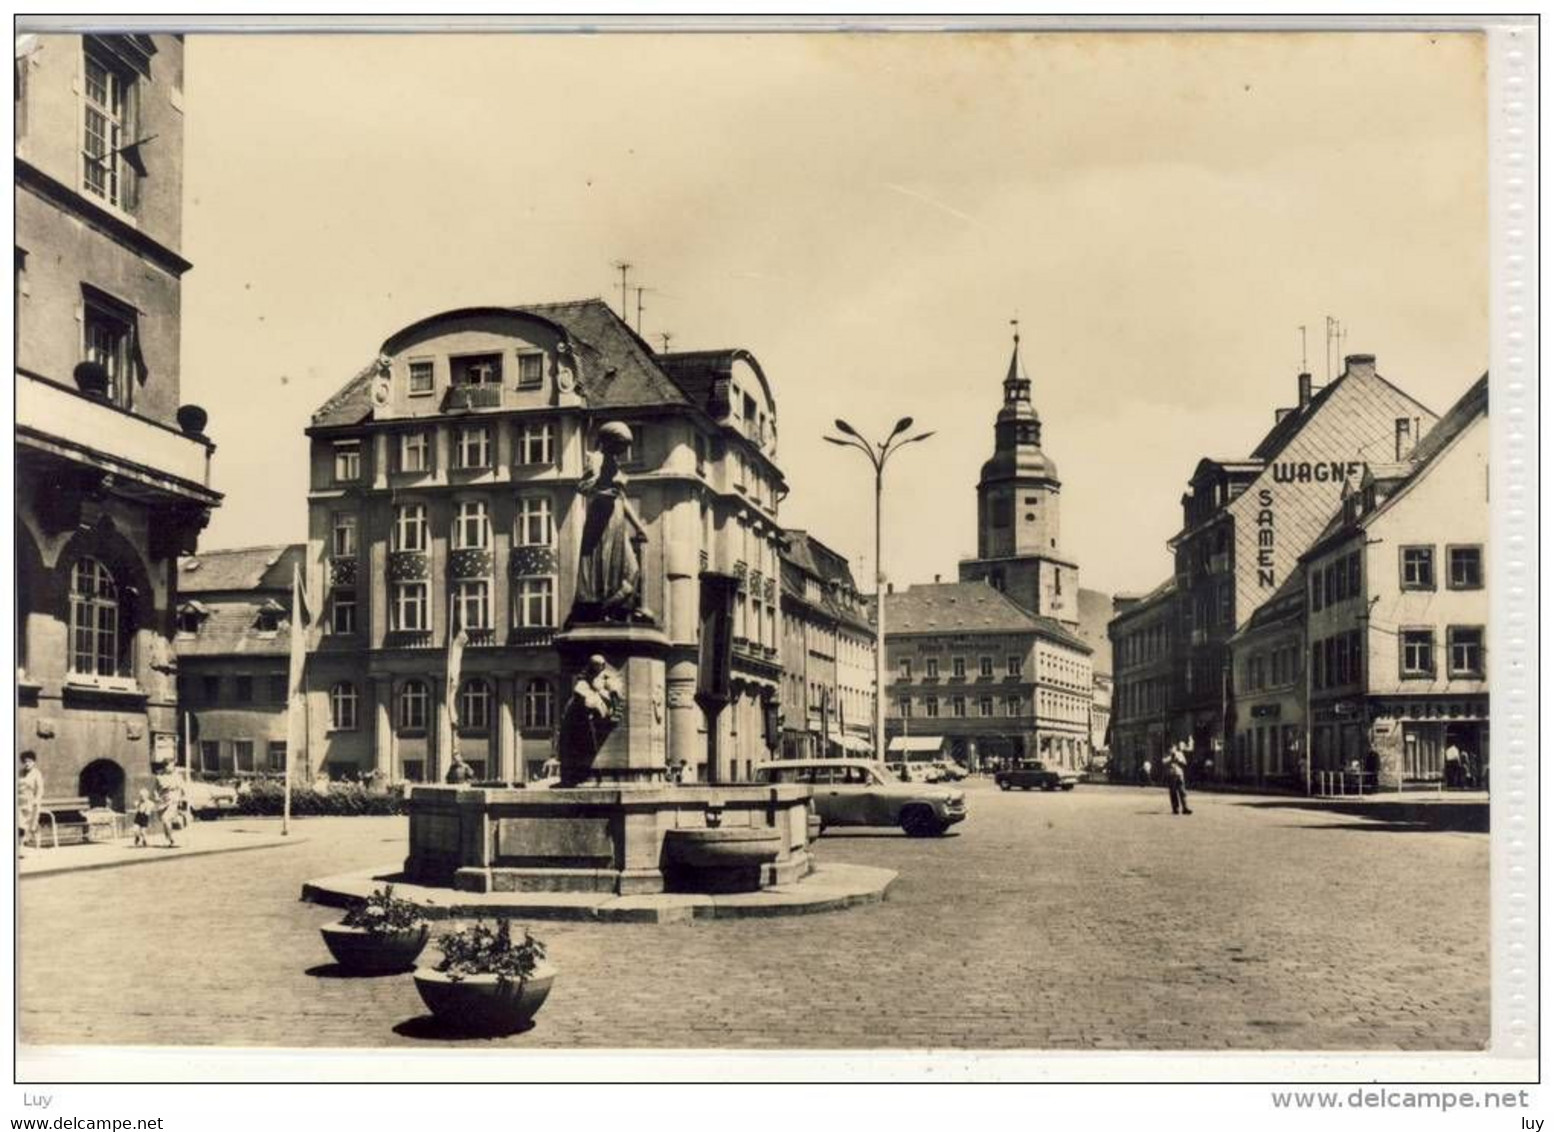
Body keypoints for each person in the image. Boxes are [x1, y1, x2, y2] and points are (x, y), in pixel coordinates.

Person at [153, 759, 184, 848]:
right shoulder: (159, 776)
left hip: (174, 800)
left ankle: (172, 839)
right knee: (164, 820)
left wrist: (183, 799)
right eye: (168, 765)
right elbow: (155, 788)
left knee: (166, 819)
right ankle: (170, 839)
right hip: (163, 801)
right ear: (165, 766)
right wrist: (156, 796)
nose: (170, 767)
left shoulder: (177, 776)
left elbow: (182, 788)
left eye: (171, 765)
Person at [17, 751, 43, 854]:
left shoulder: (37, 773)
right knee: (20, 825)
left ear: (33, 762)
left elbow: (40, 789)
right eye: (25, 761)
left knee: (33, 826)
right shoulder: (19, 773)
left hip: (32, 803)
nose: (27, 763)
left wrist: (36, 800)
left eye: (29, 761)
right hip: (19, 803)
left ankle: (37, 848)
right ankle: (20, 848)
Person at [1164, 743, 1192, 816]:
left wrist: (1179, 760)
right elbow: (1163, 762)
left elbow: (1185, 763)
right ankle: (1175, 809)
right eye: (1170, 748)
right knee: (1173, 792)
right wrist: (1170, 758)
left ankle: (1185, 808)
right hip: (1171, 775)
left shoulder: (1180, 754)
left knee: (1182, 791)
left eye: (1173, 748)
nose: (1172, 749)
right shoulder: (1167, 755)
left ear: (1175, 748)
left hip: (1179, 774)